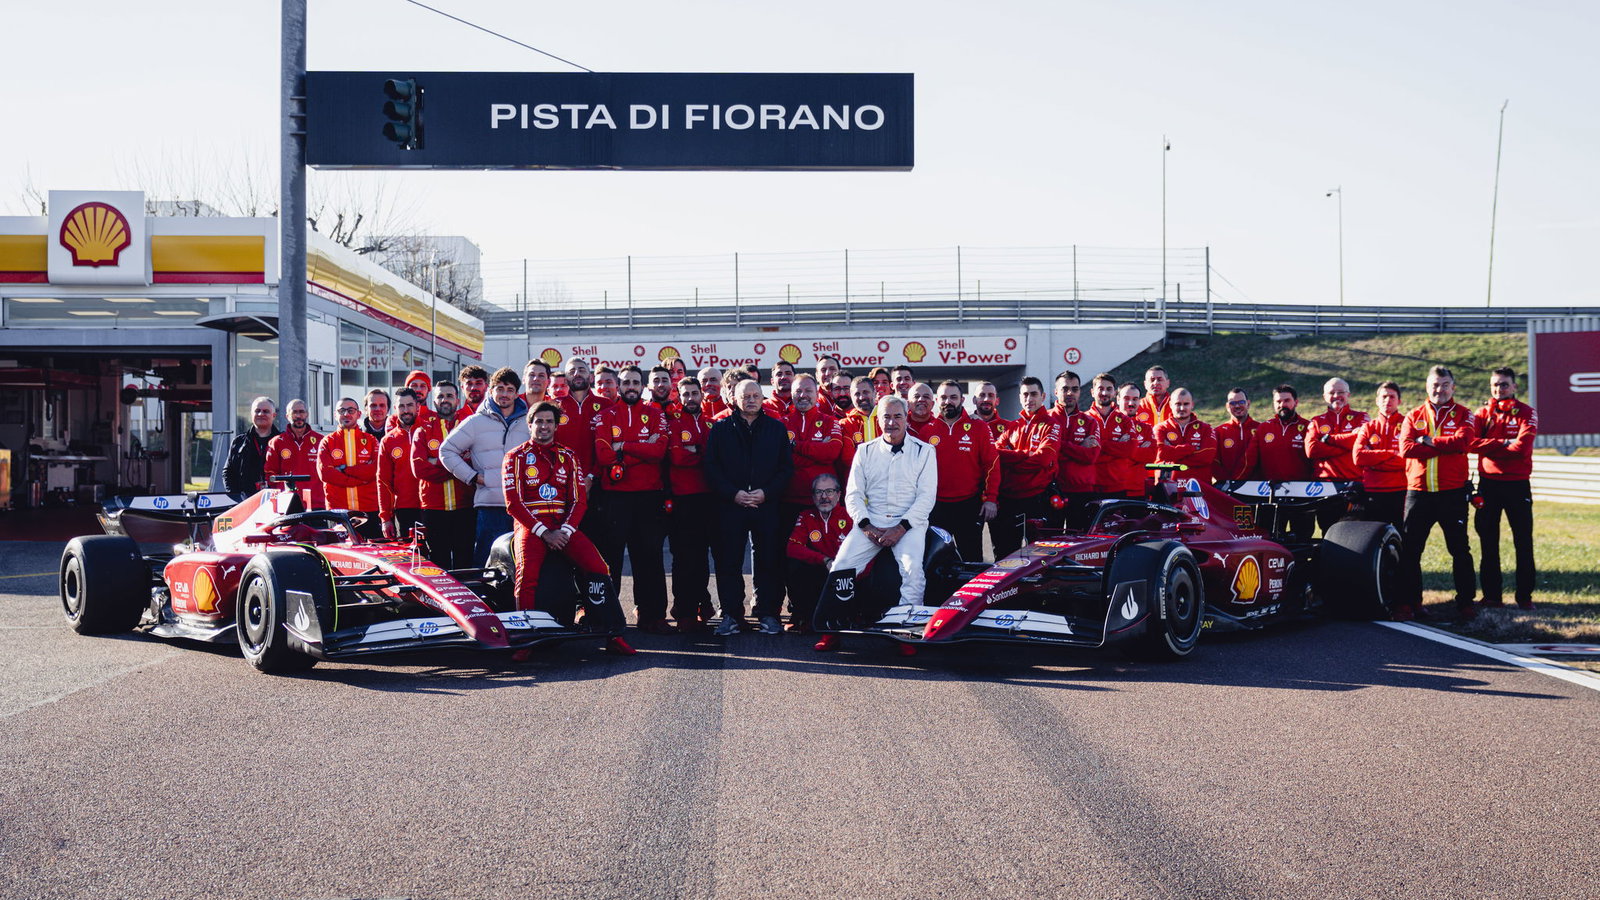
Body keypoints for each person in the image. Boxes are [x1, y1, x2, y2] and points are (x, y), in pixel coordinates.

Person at [502, 401, 634, 659]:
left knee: (599, 567)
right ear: (530, 425)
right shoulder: (515, 457)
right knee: (526, 576)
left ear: (556, 425)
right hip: (531, 526)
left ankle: (613, 634)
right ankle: (525, 640)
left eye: (549, 421)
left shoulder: (569, 456)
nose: (544, 426)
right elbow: (513, 503)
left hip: (563, 527)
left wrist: (565, 530)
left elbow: (579, 501)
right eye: (539, 421)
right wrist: (544, 532)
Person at [815, 395, 938, 654]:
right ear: (878, 420)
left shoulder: (925, 451)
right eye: (886, 417)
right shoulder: (865, 450)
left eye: (897, 416)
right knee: (841, 567)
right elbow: (853, 495)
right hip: (870, 522)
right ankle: (831, 630)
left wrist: (901, 528)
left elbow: (926, 497)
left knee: (913, 571)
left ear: (906, 419)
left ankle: (907, 633)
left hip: (909, 524)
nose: (892, 422)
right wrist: (867, 526)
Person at [704, 378, 794, 636]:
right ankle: (731, 614)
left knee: (768, 560)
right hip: (731, 505)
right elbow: (711, 468)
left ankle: (768, 614)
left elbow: (786, 468)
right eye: (746, 396)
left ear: (762, 398)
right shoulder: (720, 429)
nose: (751, 400)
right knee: (729, 561)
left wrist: (766, 493)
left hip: (766, 505)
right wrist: (733, 494)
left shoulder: (777, 429)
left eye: (756, 395)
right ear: (734, 398)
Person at [1397, 366, 1480, 622]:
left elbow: (1463, 442)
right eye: (1435, 384)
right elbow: (1406, 449)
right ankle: (1411, 603)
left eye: (1445, 385)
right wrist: (1445, 445)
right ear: (1427, 386)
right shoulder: (1413, 415)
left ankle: (1465, 604)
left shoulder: (1465, 413)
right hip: (1418, 492)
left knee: (1460, 550)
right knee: (1411, 551)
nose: (1439, 389)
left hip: (1452, 493)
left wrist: (1427, 440)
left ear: (1453, 387)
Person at [591, 366, 671, 633]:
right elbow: (604, 456)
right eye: (626, 383)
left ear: (643, 386)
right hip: (614, 497)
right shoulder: (605, 415)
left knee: (649, 558)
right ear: (618, 386)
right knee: (610, 559)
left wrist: (624, 446)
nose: (631, 387)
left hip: (649, 496)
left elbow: (658, 452)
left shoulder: (656, 414)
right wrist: (643, 448)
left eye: (636, 382)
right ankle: (609, 617)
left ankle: (653, 616)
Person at [440, 366, 530, 566]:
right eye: (499, 389)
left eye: (509, 389)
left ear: (517, 393)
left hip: (523, 506)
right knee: (487, 565)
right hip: (490, 507)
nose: (504, 394)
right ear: (491, 390)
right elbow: (446, 450)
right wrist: (473, 477)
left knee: (522, 564)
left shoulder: (529, 423)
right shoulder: (476, 422)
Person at [1472, 367, 1539, 610]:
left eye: (1504, 384)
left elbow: (1522, 448)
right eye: (1495, 385)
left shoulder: (1527, 412)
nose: (1499, 389)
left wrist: (1489, 446)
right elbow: (1471, 443)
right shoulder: (1482, 413)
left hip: (1517, 485)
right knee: (1488, 541)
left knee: (1523, 541)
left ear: (1514, 387)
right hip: (1488, 484)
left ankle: (1524, 597)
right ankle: (1492, 596)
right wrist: (1503, 443)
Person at [923, 380, 1000, 561]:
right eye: (943, 397)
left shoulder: (979, 427)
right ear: (937, 400)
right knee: (937, 561)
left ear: (962, 400)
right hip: (936, 507)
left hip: (968, 506)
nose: (948, 401)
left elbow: (992, 464)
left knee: (971, 559)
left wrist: (991, 499)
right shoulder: (927, 431)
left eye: (953, 397)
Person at [666, 375, 715, 631]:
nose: (690, 398)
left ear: (701, 395)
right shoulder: (673, 424)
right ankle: (684, 610)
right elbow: (677, 457)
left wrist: (696, 451)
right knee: (684, 557)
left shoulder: (711, 423)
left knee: (702, 558)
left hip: (707, 499)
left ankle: (700, 603)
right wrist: (700, 452)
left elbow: (715, 457)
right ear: (679, 397)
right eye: (685, 394)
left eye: (694, 393)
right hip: (682, 499)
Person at [411, 381, 476, 570]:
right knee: (438, 562)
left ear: (458, 400)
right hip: (434, 508)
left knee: (465, 561)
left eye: (449, 396)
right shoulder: (422, 430)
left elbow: (476, 463)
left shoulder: (469, 428)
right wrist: (458, 467)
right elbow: (419, 468)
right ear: (434, 401)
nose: (444, 400)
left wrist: (435, 461)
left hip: (465, 506)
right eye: (440, 396)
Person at [993, 376, 1060, 559]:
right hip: (1009, 500)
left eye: (1033, 394)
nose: (1029, 399)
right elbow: (995, 454)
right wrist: (1024, 454)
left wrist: (1012, 462)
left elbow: (1043, 459)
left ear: (1042, 396)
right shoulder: (1012, 426)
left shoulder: (1052, 425)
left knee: (1041, 556)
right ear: (1020, 397)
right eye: (1025, 394)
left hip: (1037, 499)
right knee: (1005, 555)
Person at [780, 374, 847, 538]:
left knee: (826, 550)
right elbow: (782, 459)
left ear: (817, 394)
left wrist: (795, 446)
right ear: (792, 394)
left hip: (824, 501)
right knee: (790, 550)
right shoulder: (781, 424)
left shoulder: (830, 421)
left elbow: (831, 452)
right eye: (798, 391)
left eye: (808, 391)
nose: (803, 395)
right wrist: (818, 453)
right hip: (789, 502)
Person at [786, 472, 852, 634]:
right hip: (822, 570)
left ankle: (855, 616)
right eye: (819, 492)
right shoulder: (806, 516)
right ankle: (805, 617)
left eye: (829, 491)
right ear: (813, 496)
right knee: (794, 565)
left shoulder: (851, 516)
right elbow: (792, 547)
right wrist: (824, 560)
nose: (824, 497)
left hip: (846, 574)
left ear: (839, 494)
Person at [1305, 377, 1369, 532]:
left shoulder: (1362, 417)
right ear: (1324, 396)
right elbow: (1311, 450)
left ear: (1348, 395)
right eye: (1331, 393)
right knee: (1328, 532)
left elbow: (1361, 441)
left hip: (1355, 485)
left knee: (1355, 533)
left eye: (1341, 392)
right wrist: (1347, 446)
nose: (1336, 396)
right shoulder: (1317, 421)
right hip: (1325, 487)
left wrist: (1328, 440)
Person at [317, 397, 382, 540]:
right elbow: (326, 474)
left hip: (368, 510)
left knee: (372, 550)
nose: (346, 414)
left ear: (358, 414)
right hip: (338, 512)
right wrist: (359, 480)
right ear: (335, 415)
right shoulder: (327, 441)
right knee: (338, 551)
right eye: (342, 411)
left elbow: (375, 470)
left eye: (351, 410)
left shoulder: (371, 440)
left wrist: (345, 469)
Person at [1351, 382, 1407, 530]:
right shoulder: (1368, 427)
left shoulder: (1407, 425)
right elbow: (1358, 457)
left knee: (1405, 538)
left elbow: (1408, 460)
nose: (1387, 400)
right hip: (1373, 492)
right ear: (1377, 400)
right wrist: (1391, 454)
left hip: (1401, 491)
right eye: (1384, 396)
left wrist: (1374, 461)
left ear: (1399, 401)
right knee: (1375, 537)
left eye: (1392, 397)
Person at [1051, 370, 1102, 527]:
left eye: (1074, 389)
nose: (1070, 393)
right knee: (1050, 537)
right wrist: (1079, 447)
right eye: (1065, 389)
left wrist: (1060, 445)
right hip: (1052, 489)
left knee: (1079, 538)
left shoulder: (1090, 422)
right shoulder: (1046, 419)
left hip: (1082, 491)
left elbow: (1091, 457)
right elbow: (1048, 454)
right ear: (1056, 392)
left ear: (1079, 391)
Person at [1096, 384, 1158, 499]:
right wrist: (1136, 449)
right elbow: (1098, 452)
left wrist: (1122, 448)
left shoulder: (1146, 428)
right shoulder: (1106, 425)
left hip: (1137, 490)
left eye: (1135, 399)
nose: (1131, 403)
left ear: (1139, 401)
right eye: (1126, 398)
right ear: (1118, 399)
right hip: (1109, 488)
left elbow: (1151, 456)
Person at [377, 389, 424, 540]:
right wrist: (385, 518)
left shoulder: (430, 431)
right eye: (401, 406)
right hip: (404, 510)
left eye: (409, 405)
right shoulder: (388, 441)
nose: (406, 410)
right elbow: (383, 481)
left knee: (436, 553)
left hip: (432, 507)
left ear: (417, 406)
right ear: (395, 409)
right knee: (408, 553)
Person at [264, 398, 324, 509]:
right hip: (287, 504)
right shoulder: (277, 442)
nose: (298, 416)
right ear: (287, 416)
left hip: (316, 504)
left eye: (301, 412)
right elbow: (270, 475)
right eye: (294, 412)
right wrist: (283, 492)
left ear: (307, 414)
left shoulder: (321, 441)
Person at [1153, 388, 1217, 485]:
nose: (1182, 408)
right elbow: (1161, 453)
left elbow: (1207, 457)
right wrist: (1189, 448)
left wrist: (1172, 456)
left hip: (1199, 486)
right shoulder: (1160, 428)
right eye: (1178, 404)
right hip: (1168, 486)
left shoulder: (1206, 428)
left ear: (1192, 405)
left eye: (1186, 404)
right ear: (1170, 404)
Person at [223, 396, 278, 494]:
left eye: (266, 411)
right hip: (245, 499)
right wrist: (235, 496)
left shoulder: (283, 442)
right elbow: (228, 472)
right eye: (257, 411)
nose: (261, 414)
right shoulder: (238, 442)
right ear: (251, 414)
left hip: (276, 498)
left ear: (274, 415)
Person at [1213, 388, 1259, 483]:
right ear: (1227, 406)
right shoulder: (1218, 432)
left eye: (1241, 402)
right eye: (1232, 403)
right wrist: (1226, 483)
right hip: (1228, 487)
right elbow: (1214, 462)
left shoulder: (1260, 429)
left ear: (1248, 404)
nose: (1237, 406)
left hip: (1256, 487)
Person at [839, 376, 881, 446]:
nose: (861, 397)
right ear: (851, 396)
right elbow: (848, 452)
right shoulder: (845, 424)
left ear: (875, 393)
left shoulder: (887, 418)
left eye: (865, 392)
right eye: (857, 394)